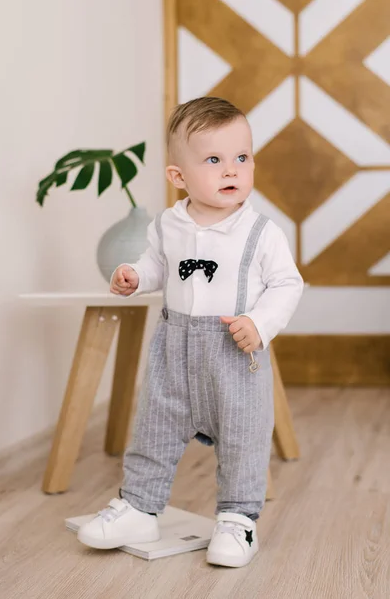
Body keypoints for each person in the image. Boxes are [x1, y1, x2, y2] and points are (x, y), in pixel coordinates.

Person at [77, 96, 303, 568]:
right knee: (153, 429)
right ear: (178, 177)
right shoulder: (169, 225)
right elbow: (158, 267)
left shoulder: (261, 232)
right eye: (214, 160)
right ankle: (139, 505)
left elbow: (287, 283)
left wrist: (259, 324)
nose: (231, 171)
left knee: (243, 438)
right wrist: (136, 276)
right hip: (172, 349)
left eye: (242, 158)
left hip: (234, 353)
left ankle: (238, 520)